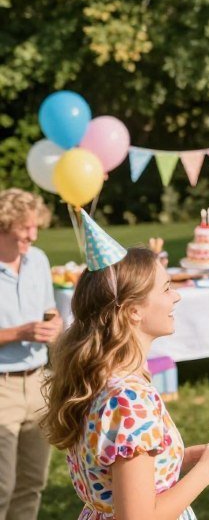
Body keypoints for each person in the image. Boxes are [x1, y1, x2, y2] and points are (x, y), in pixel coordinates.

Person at [41, 210, 209, 519]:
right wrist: (206, 472)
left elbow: (117, 470)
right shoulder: (128, 399)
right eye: (165, 288)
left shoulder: (99, 378)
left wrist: (187, 457)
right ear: (134, 311)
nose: (176, 296)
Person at [0, 188, 61, 520]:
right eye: (25, 228)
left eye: (36, 227)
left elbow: (49, 309)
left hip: (38, 383)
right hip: (2, 388)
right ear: (4, 225)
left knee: (32, 482)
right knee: (1, 485)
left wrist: (55, 324)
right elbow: (25, 328)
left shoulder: (38, 260)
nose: (33, 235)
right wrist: (20, 333)